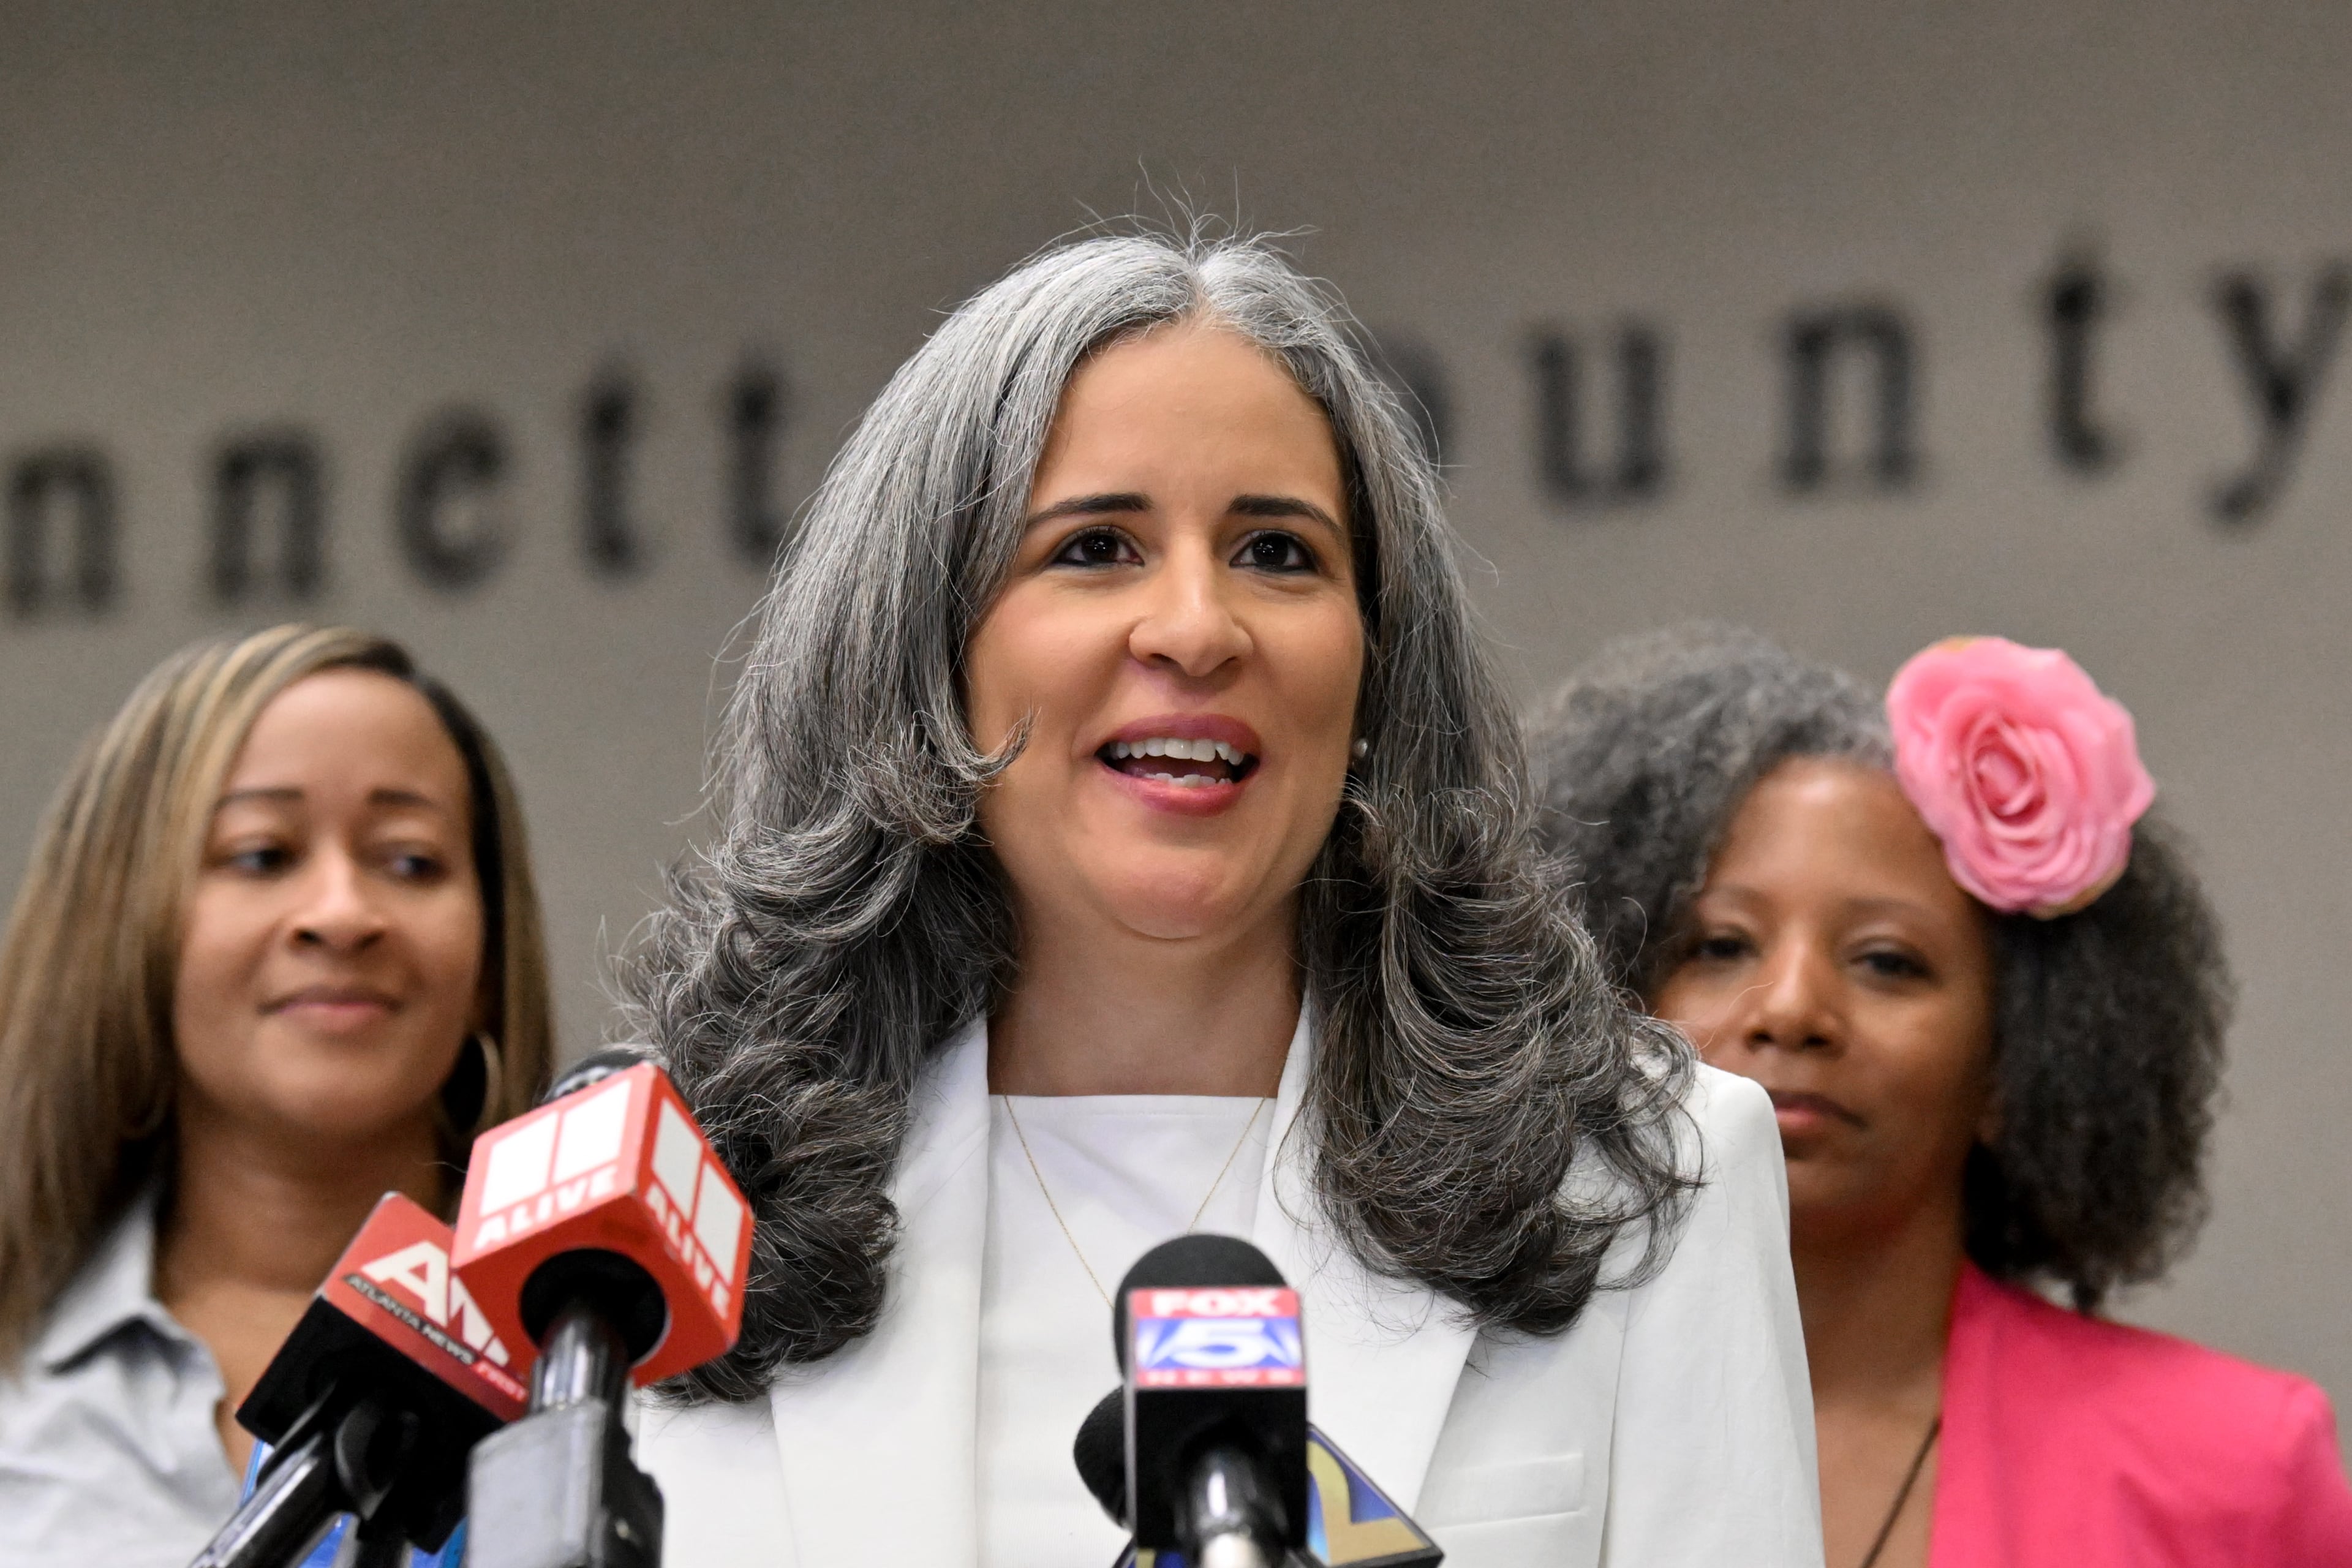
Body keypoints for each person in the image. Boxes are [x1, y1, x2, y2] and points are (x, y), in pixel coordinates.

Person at [625, 233, 1820, 1568]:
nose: (1197, 626)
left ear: (1377, 670)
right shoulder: (670, 1202)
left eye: (1276, 549)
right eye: (1094, 546)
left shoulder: (1649, 1171)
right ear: (921, 661)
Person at [1531, 624, 2352, 1568]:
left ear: (2021, 1061)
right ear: (1602, 999)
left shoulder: (2237, 1475)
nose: (1794, 1009)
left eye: (1888, 961)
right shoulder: (1447, 1405)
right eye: (1721, 946)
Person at [0, 624, 557, 1568]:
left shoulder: (609, 1371)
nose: (342, 913)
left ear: (490, 964)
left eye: (411, 860)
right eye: (262, 855)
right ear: (125, 930)